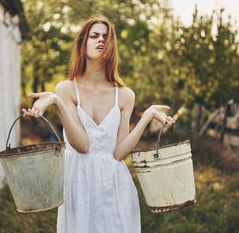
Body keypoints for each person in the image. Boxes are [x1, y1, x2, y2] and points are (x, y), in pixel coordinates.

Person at [22, 16, 175, 233]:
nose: (101, 40)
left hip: (114, 185)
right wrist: (57, 102)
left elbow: (119, 153)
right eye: (94, 36)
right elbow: (82, 146)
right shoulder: (66, 90)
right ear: (83, 43)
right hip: (79, 184)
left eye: (106, 37)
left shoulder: (124, 95)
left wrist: (147, 116)